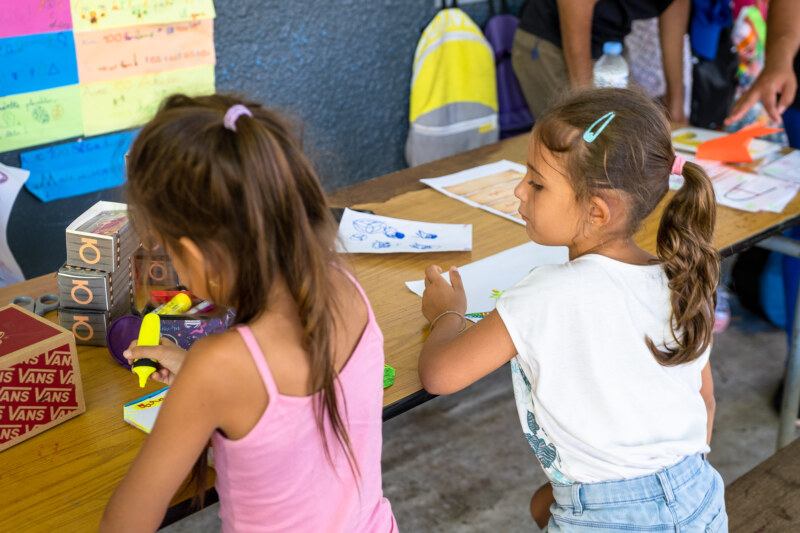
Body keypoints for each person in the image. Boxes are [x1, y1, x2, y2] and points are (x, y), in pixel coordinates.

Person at [418, 88, 726, 531]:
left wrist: (447, 314)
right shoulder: (682, 279)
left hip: (608, 519)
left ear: (597, 211)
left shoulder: (546, 293)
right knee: (540, 506)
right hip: (700, 500)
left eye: (537, 183)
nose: (519, 190)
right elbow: (705, 403)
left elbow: (440, 375)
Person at [100, 94, 397, 533]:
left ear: (196, 253)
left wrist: (201, 378)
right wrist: (196, 374)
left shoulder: (217, 368)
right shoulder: (345, 287)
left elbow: (123, 523)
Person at [511, 0, 689, 123]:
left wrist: (676, 103)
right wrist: (585, 101)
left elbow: (675, 7)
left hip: (611, 48)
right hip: (552, 42)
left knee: (625, 133)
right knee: (577, 137)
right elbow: (575, 4)